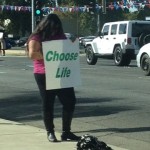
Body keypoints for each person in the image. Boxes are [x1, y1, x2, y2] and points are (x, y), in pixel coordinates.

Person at [27, 14, 80, 142]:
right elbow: (32, 54)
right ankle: (50, 131)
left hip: (61, 72)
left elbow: (67, 48)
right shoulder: (36, 37)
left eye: (58, 27)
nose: (56, 29)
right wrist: (50, 54)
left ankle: (66, 132)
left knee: (70, 101)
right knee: (48, 103)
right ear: (46, 26)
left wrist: (72, 42)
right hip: (44, 73)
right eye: (54, 27)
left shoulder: (60, 35)